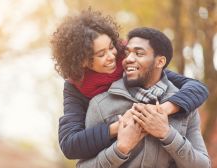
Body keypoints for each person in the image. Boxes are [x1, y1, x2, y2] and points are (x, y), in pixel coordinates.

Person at [50, 9, 209, 160]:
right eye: (101, 54)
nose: (111, 56)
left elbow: (197, 88)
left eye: (111, 47)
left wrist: (162, 110)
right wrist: (119, 127)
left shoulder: (130, 60)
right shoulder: (75, 87)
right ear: (82, 61)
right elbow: (70, 144)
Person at [77, 27, 210, 168]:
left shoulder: (183, 105)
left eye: (139, 53)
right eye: (127, 53)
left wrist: (167, 134)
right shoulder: (100, 105)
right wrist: (120, 149)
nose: (128, 59)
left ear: (160, 62)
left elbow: (203, 165)